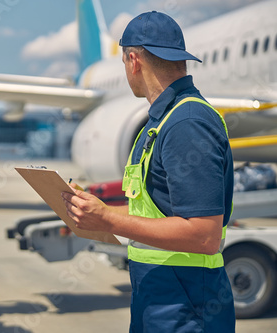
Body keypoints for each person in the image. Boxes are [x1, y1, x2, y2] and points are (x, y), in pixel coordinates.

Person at [61, 11, 235, 332]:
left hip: (186, 305)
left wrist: (109, 220)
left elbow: (204, 235)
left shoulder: (187, 123)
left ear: (133, 61)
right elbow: (154, 211)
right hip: (161, 298)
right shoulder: (161, 122)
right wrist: (95, 212)